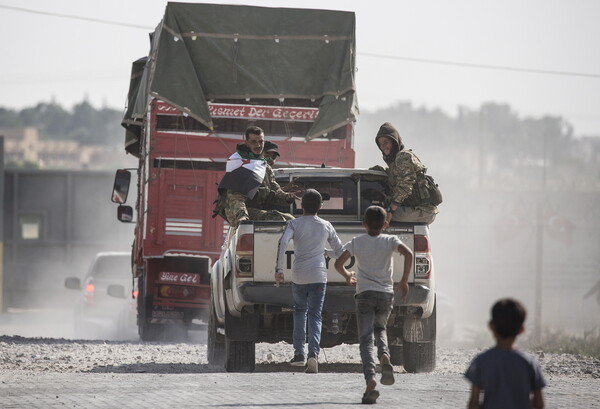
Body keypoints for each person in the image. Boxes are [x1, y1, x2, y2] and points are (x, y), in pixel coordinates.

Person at [334, 206, 413, 404]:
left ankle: (370, 379)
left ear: (364, 224)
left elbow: (338, 263)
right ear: (386, 224)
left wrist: (347, 276)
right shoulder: (390, 240)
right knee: (381, 328)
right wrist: (403, 281)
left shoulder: (357, 242)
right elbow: (409, 254)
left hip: (364, 294)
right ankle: (385, 356)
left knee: (366, 339)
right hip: (386, 295)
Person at [275, 189, 344, 374]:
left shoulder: (294, 223)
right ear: (320, 206)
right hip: (319, 275)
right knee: (315, 315)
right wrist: (327, 253)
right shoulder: (326, 225)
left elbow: (282, 243)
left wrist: (279, 270)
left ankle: (299, 354)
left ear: (301, 205)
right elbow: (340, 251)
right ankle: (313, 354)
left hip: (299, 275)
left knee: (299, 312)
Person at [465, 298, 546, 409]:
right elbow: (539, 404)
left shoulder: (481, 361)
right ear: (521, 329)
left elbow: (474, 403)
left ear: (491, 326)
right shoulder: (529, 362)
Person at [216, 126, 295, 227]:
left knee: (292, 221)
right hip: (237, 211)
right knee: (274, 219)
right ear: (247, 143)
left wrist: (286, 197)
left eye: (261, 142)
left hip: (255, 210)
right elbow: (236, 197)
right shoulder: (239, 163)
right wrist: (242, 216)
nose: (258, 145)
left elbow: (275, 192)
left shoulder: (264, 167)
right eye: (254, 142)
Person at [374, 122, 438, 224]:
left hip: (422, 210)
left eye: (386, 142)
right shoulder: (394, 162)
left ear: (394, 142)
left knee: (378, 216)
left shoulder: (403, 157)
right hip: (412, 209)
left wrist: (391, 210)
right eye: (380, 144)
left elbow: (405, 185)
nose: (383, 147)